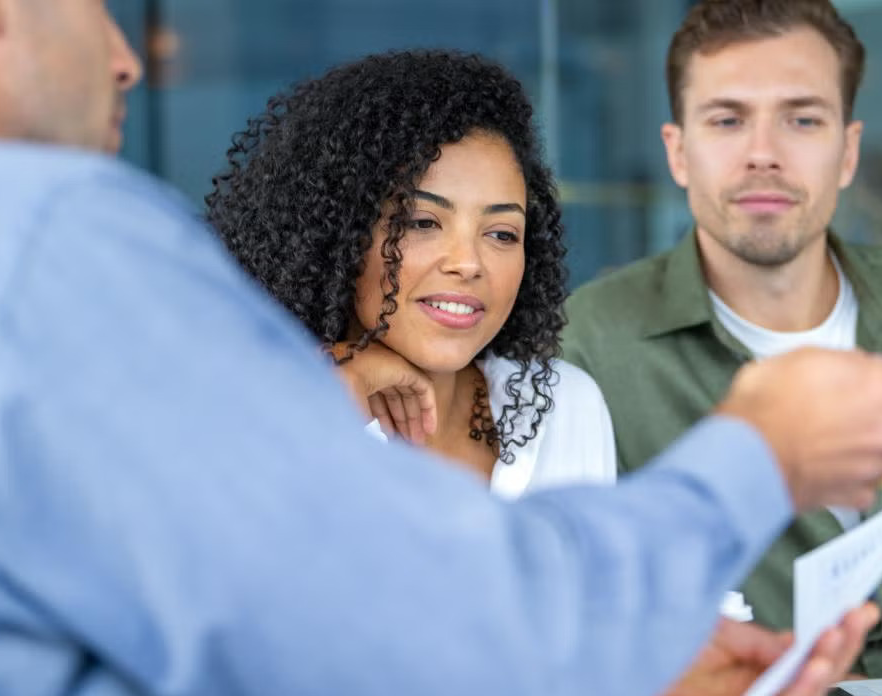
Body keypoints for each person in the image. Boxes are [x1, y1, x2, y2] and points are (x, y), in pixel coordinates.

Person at [0, 0, 882, 696]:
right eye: (93, 3)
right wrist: (752, 453)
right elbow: (399, 627)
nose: (130, 57)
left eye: (502, 230)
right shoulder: (30, 232)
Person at [560, 0, 882, 681]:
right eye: (727, 119)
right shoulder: (586, 350)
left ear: (848, 151)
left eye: (802, 119)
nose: (763, 154)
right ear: (678, 153)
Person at [206, 51, 614, 496]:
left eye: (500, 233)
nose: (468, 262)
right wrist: (318, 394)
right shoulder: (252, 422)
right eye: (421, 223)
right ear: (339, 233)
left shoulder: (561, 408)